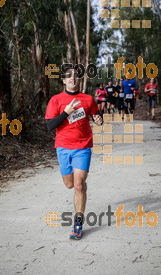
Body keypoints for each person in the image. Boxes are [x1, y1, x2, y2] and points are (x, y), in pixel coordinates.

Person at [45, 68, 103, 239]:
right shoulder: (56, 100)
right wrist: (66, 112)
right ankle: (81, 184)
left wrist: (99, 119)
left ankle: (78, 223)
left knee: (78, 185)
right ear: (63, 81)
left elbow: (97, 115)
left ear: (78, 79)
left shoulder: (88, 99)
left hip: (83, 147)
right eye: (68, 76)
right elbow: (50, 125)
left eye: (75, 76)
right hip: (63, 147)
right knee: (70, 185)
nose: (72, 78)